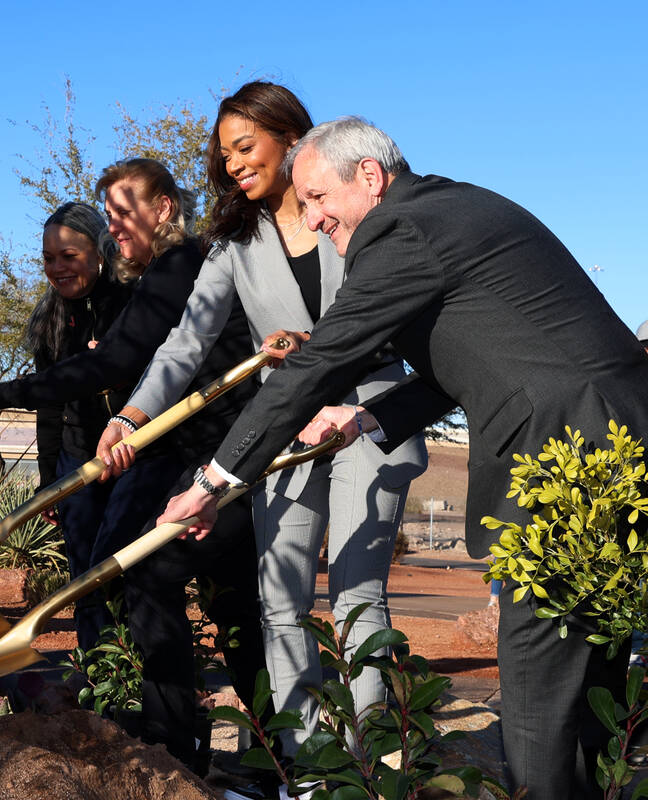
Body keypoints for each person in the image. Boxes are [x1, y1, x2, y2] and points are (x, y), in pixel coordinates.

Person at [155, 116, 648, 799]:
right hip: (613, 449)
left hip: (561, 458)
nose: (316, 217)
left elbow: (323, 359)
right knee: (587, 690)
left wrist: (215, 479)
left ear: (369, 176)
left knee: (538, 699)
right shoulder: (451, 211)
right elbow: (479, 354)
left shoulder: (399, 229)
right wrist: (369, 416)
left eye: (321, 198)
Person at [97, 82, 427, 757]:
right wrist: (131, 417)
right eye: (225, 155)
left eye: (246, 146)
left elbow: (401, 316)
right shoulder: (234, 243)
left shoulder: (355, 213)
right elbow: (186, 341)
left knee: (357, 593)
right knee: (279, 595)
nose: (235, 164)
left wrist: (337, 361)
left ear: (291, 137)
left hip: (367, 415)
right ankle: (306, 763)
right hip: (285, 428)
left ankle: (365, 763)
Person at [0, 162, 260, 669]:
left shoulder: (170, 272)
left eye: (121, 213)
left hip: (193, 454)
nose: (114, 226)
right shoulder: (59, 315)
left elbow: (116, 362)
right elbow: (67, 392)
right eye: (48, 257)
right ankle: (117, 697)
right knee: (123, 578)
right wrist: (52, 477)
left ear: (162, 209)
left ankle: (167, 725)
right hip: (120, 455)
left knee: (155, 578)